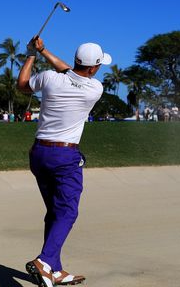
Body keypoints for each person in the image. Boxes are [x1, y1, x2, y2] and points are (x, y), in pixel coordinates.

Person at [17, 36, 111, 287]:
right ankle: (44, 262)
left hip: (39, 154)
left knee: (55, 212)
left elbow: (23, 84)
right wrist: (44, 51)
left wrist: (33, 54)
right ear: (93, 68)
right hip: (65, 157)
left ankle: (54, 269)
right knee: (68, 211)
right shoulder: (95, 89)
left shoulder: (49, 78)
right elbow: (71, 74)